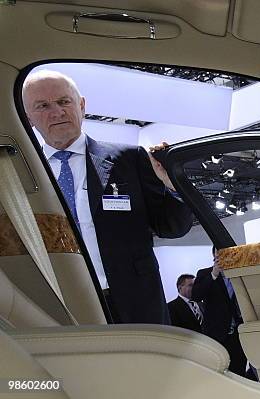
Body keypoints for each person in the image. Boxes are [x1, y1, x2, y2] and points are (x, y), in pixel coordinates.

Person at [22, 70, 194, 325]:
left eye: (63, 101)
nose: (56, 112)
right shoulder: (22, 173)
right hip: (61, 308)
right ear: (28, 118)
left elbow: (173, 227)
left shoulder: (129, 159)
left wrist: (172, 184)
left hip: (134, 304)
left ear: (81, 105)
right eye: (43, 106)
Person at [192, 247, 254, 378]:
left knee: (239, 371)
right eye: (219, 253)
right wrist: (214, 274)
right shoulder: (204, 273)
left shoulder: (238, 273)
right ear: (214, 255)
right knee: (218, 372)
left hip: (238, 334)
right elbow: (196, 296)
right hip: (216, 333)